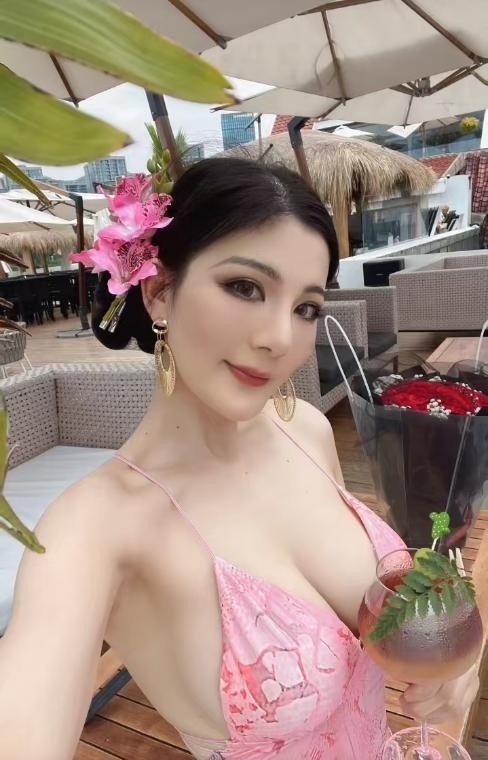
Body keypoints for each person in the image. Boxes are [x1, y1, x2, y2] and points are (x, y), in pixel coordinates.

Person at [0, 159, 479, 760]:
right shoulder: (95, 529)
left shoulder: (306, 432)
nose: (280, 337)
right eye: (245, 287)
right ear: (158, 291)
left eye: (306, 307)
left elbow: (387, 615)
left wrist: (455, 665)